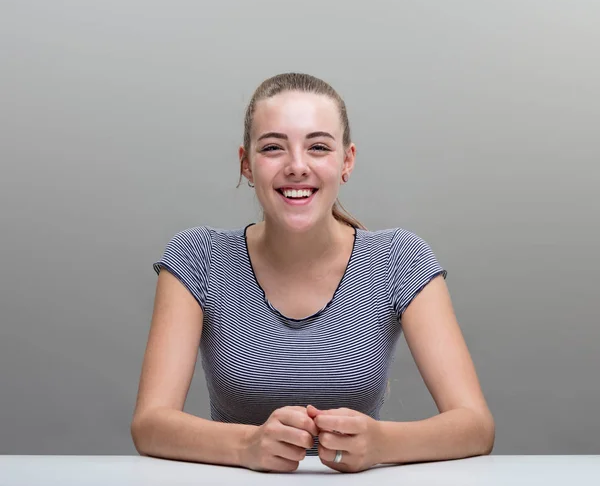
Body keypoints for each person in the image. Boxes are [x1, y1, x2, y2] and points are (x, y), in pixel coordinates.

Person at [130, 72, 495, 473]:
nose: (297, 166)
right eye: (273, 148)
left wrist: (383, 443)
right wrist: (247, 445)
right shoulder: (198, 257)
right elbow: (150, 426)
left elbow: (476, 427)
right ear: (246, 164)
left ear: (347, 161)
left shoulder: (399, 258)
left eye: (318, 147)